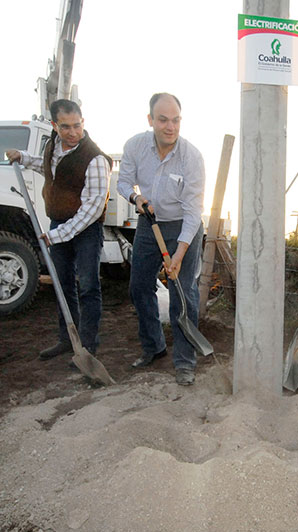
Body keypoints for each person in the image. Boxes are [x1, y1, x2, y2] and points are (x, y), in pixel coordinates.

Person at [7, 99, 112, 361]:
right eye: (65, 127)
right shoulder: (52, 146)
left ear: (83, 122)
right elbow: (50, 168)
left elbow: (92, 209)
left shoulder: (95, 159)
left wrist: (55, 236)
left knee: (88, 287)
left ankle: (87, 348)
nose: (73, 132)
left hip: (86, 229)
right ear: (55, 126)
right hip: (59, 223)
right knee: (62, 285)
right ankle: (67, 340)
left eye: (77, 125)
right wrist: (23, 158)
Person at [117, 93, 205, 386]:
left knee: (184, 294)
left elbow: (193, 213)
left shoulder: (192, 157)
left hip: (183, 228)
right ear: (151, 120)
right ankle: (153, 347)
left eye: (176, 120)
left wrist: (179, 255)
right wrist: (136, 197)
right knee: (139, 287)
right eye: (163, 120)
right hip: (148, 224)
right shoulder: (135, 146)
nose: (171, 126)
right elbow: (123, 181)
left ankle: (184, 362)